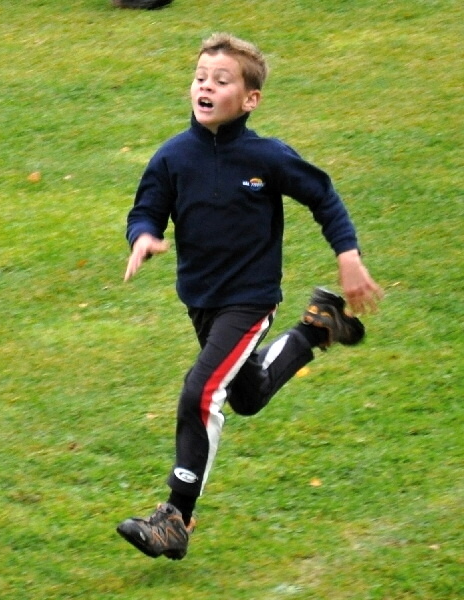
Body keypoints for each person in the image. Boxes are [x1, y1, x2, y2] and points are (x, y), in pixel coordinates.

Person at [116, 33, 384, 559]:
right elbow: (146, 208)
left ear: (250, 99)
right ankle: (317, 327)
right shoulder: (172, 156)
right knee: (247, 394)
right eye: (200, 77)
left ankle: (175, 517)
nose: (206, 87)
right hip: (200, 298)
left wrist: (348, 255)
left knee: (200, 392)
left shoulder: (266, 156)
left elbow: (323, 196)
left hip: (250, 298)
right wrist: (143, 236)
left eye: (221, 81)